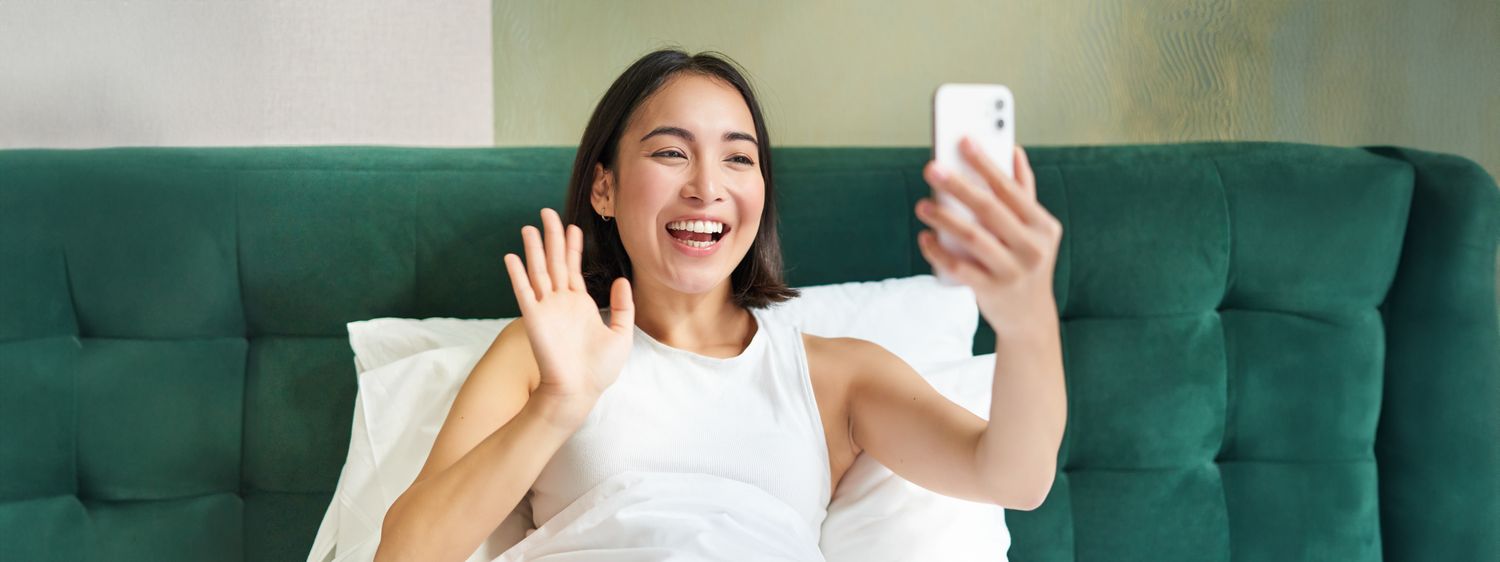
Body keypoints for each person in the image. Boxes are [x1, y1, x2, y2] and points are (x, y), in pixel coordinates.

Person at [375, 48, 1067, 562]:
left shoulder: (835, 376)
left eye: (739, 159)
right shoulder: (545, 356)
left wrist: (1027, 315)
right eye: (671, 152)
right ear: (604, 189)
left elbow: (1013, 477)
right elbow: (404, 555)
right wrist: (557, 404)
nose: (707, 187)